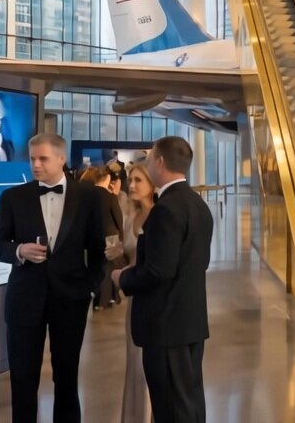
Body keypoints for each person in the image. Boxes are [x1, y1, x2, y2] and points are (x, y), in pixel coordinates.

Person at [0, 132, 106, 423]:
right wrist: (19, 250)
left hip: (71, 299)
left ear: (62, 158)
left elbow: (99, 248)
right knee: (22, 378)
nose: (35, 165)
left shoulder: (90, 197)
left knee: (67, 377)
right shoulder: (13, 197)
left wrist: (90, 289)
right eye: (32, 159)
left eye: (43, 158)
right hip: (25, 299)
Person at [114, 136, 213, 423]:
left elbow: (159, 270)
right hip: (191, 323)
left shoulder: (166, 210)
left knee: (170, 407)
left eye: (148, 158)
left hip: (166, 327)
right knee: (189, 402)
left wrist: (124, 278)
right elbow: (199, 263)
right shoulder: (197, 205)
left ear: (159, 162)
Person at [117, 165, 155, 422]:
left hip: (155, 301)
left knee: (149, 364)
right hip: (134, 300)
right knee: (134, 362)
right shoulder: (130, 218)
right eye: (130, 180)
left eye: (138, 180)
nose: (131, 185)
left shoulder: (161, 218)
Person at [89, 167, 125, 310]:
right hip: (110, 235)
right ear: (107, 179)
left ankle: (99, 299)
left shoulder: (87, 196)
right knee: (109, 266)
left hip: (93, 235)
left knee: (97, 266)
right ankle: (110, 298)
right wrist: (122, 235)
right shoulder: (110, 196)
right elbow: (118, 217)